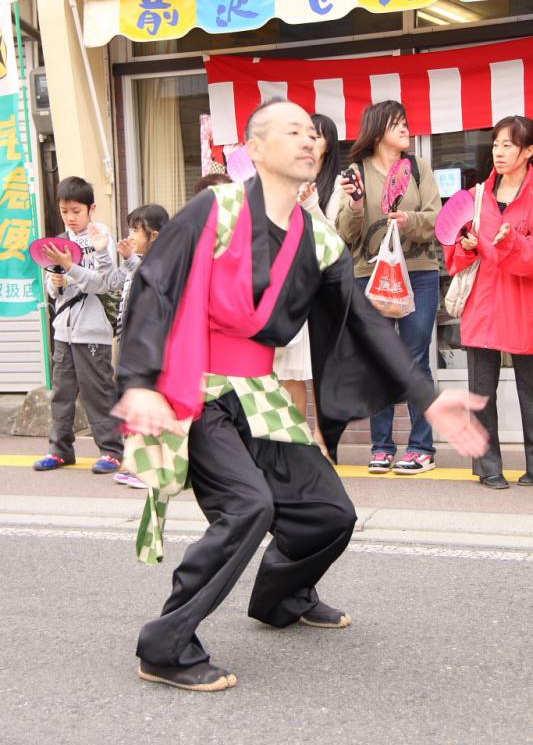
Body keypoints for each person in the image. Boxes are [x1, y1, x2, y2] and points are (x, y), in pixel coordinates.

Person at [113, 99, 487, 693]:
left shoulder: (318, 238)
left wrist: (426, 393)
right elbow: (155, 286)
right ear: (255, 150)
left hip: (259, 391)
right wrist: (138, 382)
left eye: (313, 133)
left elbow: (362, 319)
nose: (308, 140)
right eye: (291, 131)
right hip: (199, 387)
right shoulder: (217, 208)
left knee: (330, 514)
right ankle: (164, 643)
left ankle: (279, 597)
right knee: (248, 507)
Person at [337, 100, 441, 476]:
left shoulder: (418, 167)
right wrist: (356, 204)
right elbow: (344, 236)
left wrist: (408, 219)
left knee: (415, 358)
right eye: (398, 123)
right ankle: (381, 447)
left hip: (419, 272)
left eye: (406, 122)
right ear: (378, 129)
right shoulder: (355, 173)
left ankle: (421, 447)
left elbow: (437, 218)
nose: (406, 128)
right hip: (370, 273)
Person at [444, 115, 533, 490]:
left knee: (530, 390)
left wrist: (511, 241)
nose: (499, 151)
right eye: (496, 144)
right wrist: (465, 247)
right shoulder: (477, 195)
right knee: (481, 391)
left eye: (508, 145)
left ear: (529, 151)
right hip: (482, 303)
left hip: (523, 303)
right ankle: (487, 466)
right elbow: (455, 256)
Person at [33, 176, 123, 474]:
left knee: (97, 391)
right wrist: (56, 282)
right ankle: (60, 450)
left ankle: (111, 450)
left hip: (92, 331)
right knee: (62, 392)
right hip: (64, 331)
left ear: (91, 208)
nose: (70, 218)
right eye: (64, 211)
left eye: (76, 211)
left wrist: (71, 268)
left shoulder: (101, 238)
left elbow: (104, 284)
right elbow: (51, 289)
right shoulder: (60, 241)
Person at [274, 113, 343, 452]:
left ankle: (323, 438)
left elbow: (335, 240)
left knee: (320, 370)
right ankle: (297, 441)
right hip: (291, 285)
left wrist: (312, 204)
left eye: (316, 136)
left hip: (323, 287)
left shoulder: (339, 182)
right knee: (290, 370)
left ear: (328, 144)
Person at [88, 203, 170, 488]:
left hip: (150, 350)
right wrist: (110, 253)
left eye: (137, 229)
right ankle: (137, 464)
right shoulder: (142, 263)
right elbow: (113, 282)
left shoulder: (163, 266)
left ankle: (152, 470)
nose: (131, 234)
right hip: (132, 344)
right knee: (136, 405)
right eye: (131, 228)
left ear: (155, 236)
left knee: (150, 405)